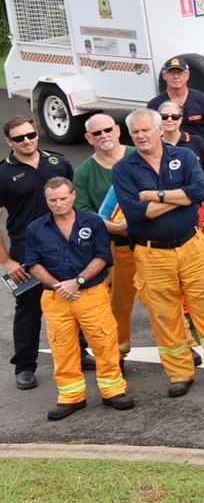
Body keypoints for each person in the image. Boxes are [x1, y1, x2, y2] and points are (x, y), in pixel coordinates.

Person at [112, 108, 204, 396]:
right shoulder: (123, 169)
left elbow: (200, 192)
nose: (140, 136)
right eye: (135, 132)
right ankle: (179, 373)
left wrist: (154, 195)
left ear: (159, 129)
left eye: (145, 130)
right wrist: (180, 198)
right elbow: (136, 214)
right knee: (165, 316)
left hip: (191, 246)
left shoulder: (184, 156)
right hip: (151, 254)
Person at [22, 178, 127, 418]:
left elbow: (102, 256)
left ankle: (113, 391)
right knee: (63, 348)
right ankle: (71, 397)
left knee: (104, 342)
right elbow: (33, 263)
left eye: (63, 198)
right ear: (46, 200)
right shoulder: (36, 228)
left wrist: (77, 281)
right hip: (55, 297)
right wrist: (58, 285)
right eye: (53, 200)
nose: (59, 204)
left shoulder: (93, 222)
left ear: (72, 195)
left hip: (91, 293)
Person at [1, 116, 73, 390]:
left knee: (73, 300)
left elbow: (71, 200)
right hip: (25, 251)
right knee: (29, 311)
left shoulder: (58, 162)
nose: (27, 141)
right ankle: (25, 366)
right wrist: (7, 260)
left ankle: (79, 351)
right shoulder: (4, 174)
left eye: (30, 134)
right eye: (19, 138)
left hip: (65, 247)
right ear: (10, 142)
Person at [70, 113, 136, 358]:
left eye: (108, 130)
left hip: (152, 245)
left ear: (118, 130)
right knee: (117, 306)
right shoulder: (85, 172)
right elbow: (85, 214)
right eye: (97, 133)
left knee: (165, 300)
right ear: (89, 138)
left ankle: (182, 349)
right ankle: (116, 355)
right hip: (114, 249)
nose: (104, 136)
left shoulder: (137, 156)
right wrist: (116, 228)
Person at [158, 101, 204, 318]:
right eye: (164, 116)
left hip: (202, 210)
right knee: (178, 262)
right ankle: (186, 309)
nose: (170, 120)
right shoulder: (152, 145)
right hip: (170, 211)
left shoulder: (196, 142)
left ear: (181, 119)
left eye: (174, 116)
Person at [150, 56, 204, 164]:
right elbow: (150, 136)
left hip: (201, 157)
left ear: (187, 75)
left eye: (180, 72)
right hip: (169, 159)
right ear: (164, 76)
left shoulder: (202, 100)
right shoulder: (155, 104)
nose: (176, 76)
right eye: (171, 73)